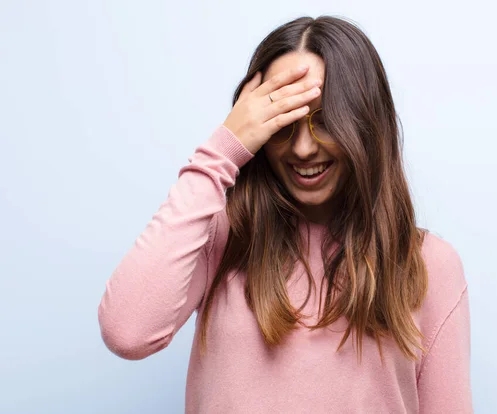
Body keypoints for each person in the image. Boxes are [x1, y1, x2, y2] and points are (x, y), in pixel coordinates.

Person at [98, 15, 472, 414]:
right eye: (282, 124)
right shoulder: (219, 238)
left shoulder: (428, 264)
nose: (303, 149)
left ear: (364, 125)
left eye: (326, 121)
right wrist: (223, 151)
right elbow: (127, 332)